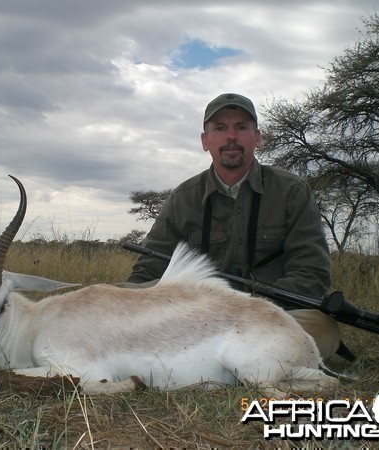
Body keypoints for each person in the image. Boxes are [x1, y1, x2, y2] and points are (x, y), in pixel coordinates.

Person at [126, 93, 341, 360]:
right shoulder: (183, 198)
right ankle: (239, 361)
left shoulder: (292, 192)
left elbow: (312, 272)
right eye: (220, 128)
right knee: (120, 298)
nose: (231, 137)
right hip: (197, 317)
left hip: (271, 317)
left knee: (321, 328)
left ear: (257, 137)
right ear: (205, 141)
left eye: (241, 127)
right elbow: (148, 270)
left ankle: (199, 360)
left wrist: (254, 308)